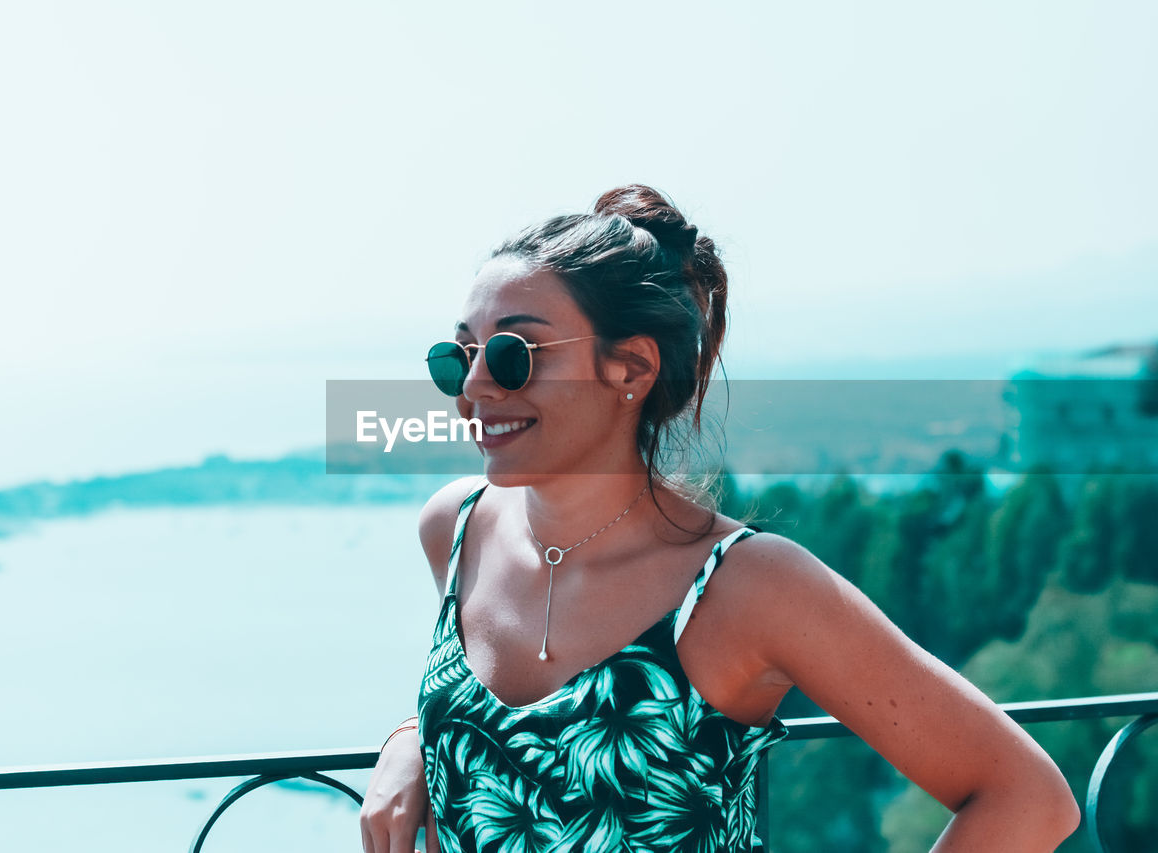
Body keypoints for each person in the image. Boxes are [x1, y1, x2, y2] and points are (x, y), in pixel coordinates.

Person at [359, 185, 1079, 853]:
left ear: (632, 369)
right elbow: (496, 733)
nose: (475, 386)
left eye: (514, 353)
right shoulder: (456, 530)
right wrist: (411, 735)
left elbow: (1027, 796)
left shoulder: (744, 585)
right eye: (460, 355)